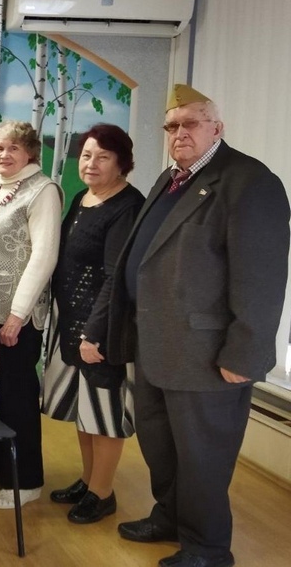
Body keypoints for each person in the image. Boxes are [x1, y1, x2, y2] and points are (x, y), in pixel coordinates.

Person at [108, 85, 290, 567]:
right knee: (161, 448)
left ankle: (207, 549)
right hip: (156, 346)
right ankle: (169, 518)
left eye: (191, 123)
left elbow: (262, 278)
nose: (179, 133)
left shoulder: (249, 182)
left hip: (207, 356)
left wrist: (244, 354)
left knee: (202, 458)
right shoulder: (170, 180)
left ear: (217, 127)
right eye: (172, 126)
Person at [41, 124, 144, 524]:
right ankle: (87, 482)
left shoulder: (127, 206)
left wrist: (93, 333)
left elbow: (116, 278)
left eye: (103, 157)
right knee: (84, 411)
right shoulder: (82, 198)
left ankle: (103, 493)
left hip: (102, 330)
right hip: (72, 323)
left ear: (122, 163)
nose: (91, 163)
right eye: (86, 155)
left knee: (104, 415)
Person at [0, 120, 62, 510]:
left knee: (16, 397)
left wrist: (18, 315)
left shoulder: (43, 191)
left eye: (13, 148)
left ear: (30, 152)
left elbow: (43, 256)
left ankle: (25, 481)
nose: (4, 155)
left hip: (17, 317)